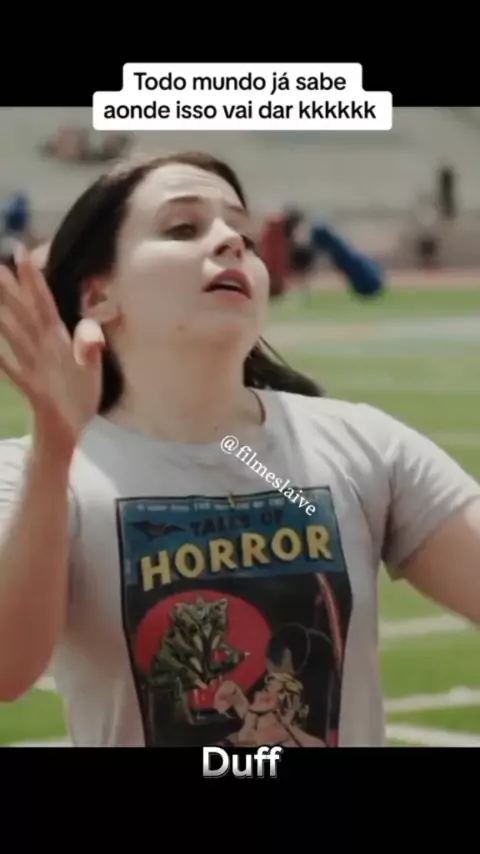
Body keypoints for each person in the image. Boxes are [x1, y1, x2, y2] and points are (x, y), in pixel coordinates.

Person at [0, 150, 479, 749]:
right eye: (183, 228)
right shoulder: (34, 472)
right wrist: (54, 448)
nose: (230, 242)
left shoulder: (366, 445)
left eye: (244, 237)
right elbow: (8, 669)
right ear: (97, 296)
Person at [259, 206, 384, 302]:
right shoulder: (316, 233)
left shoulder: (316, 233)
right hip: (345, 257)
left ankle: (369, 283)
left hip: (348, 260)